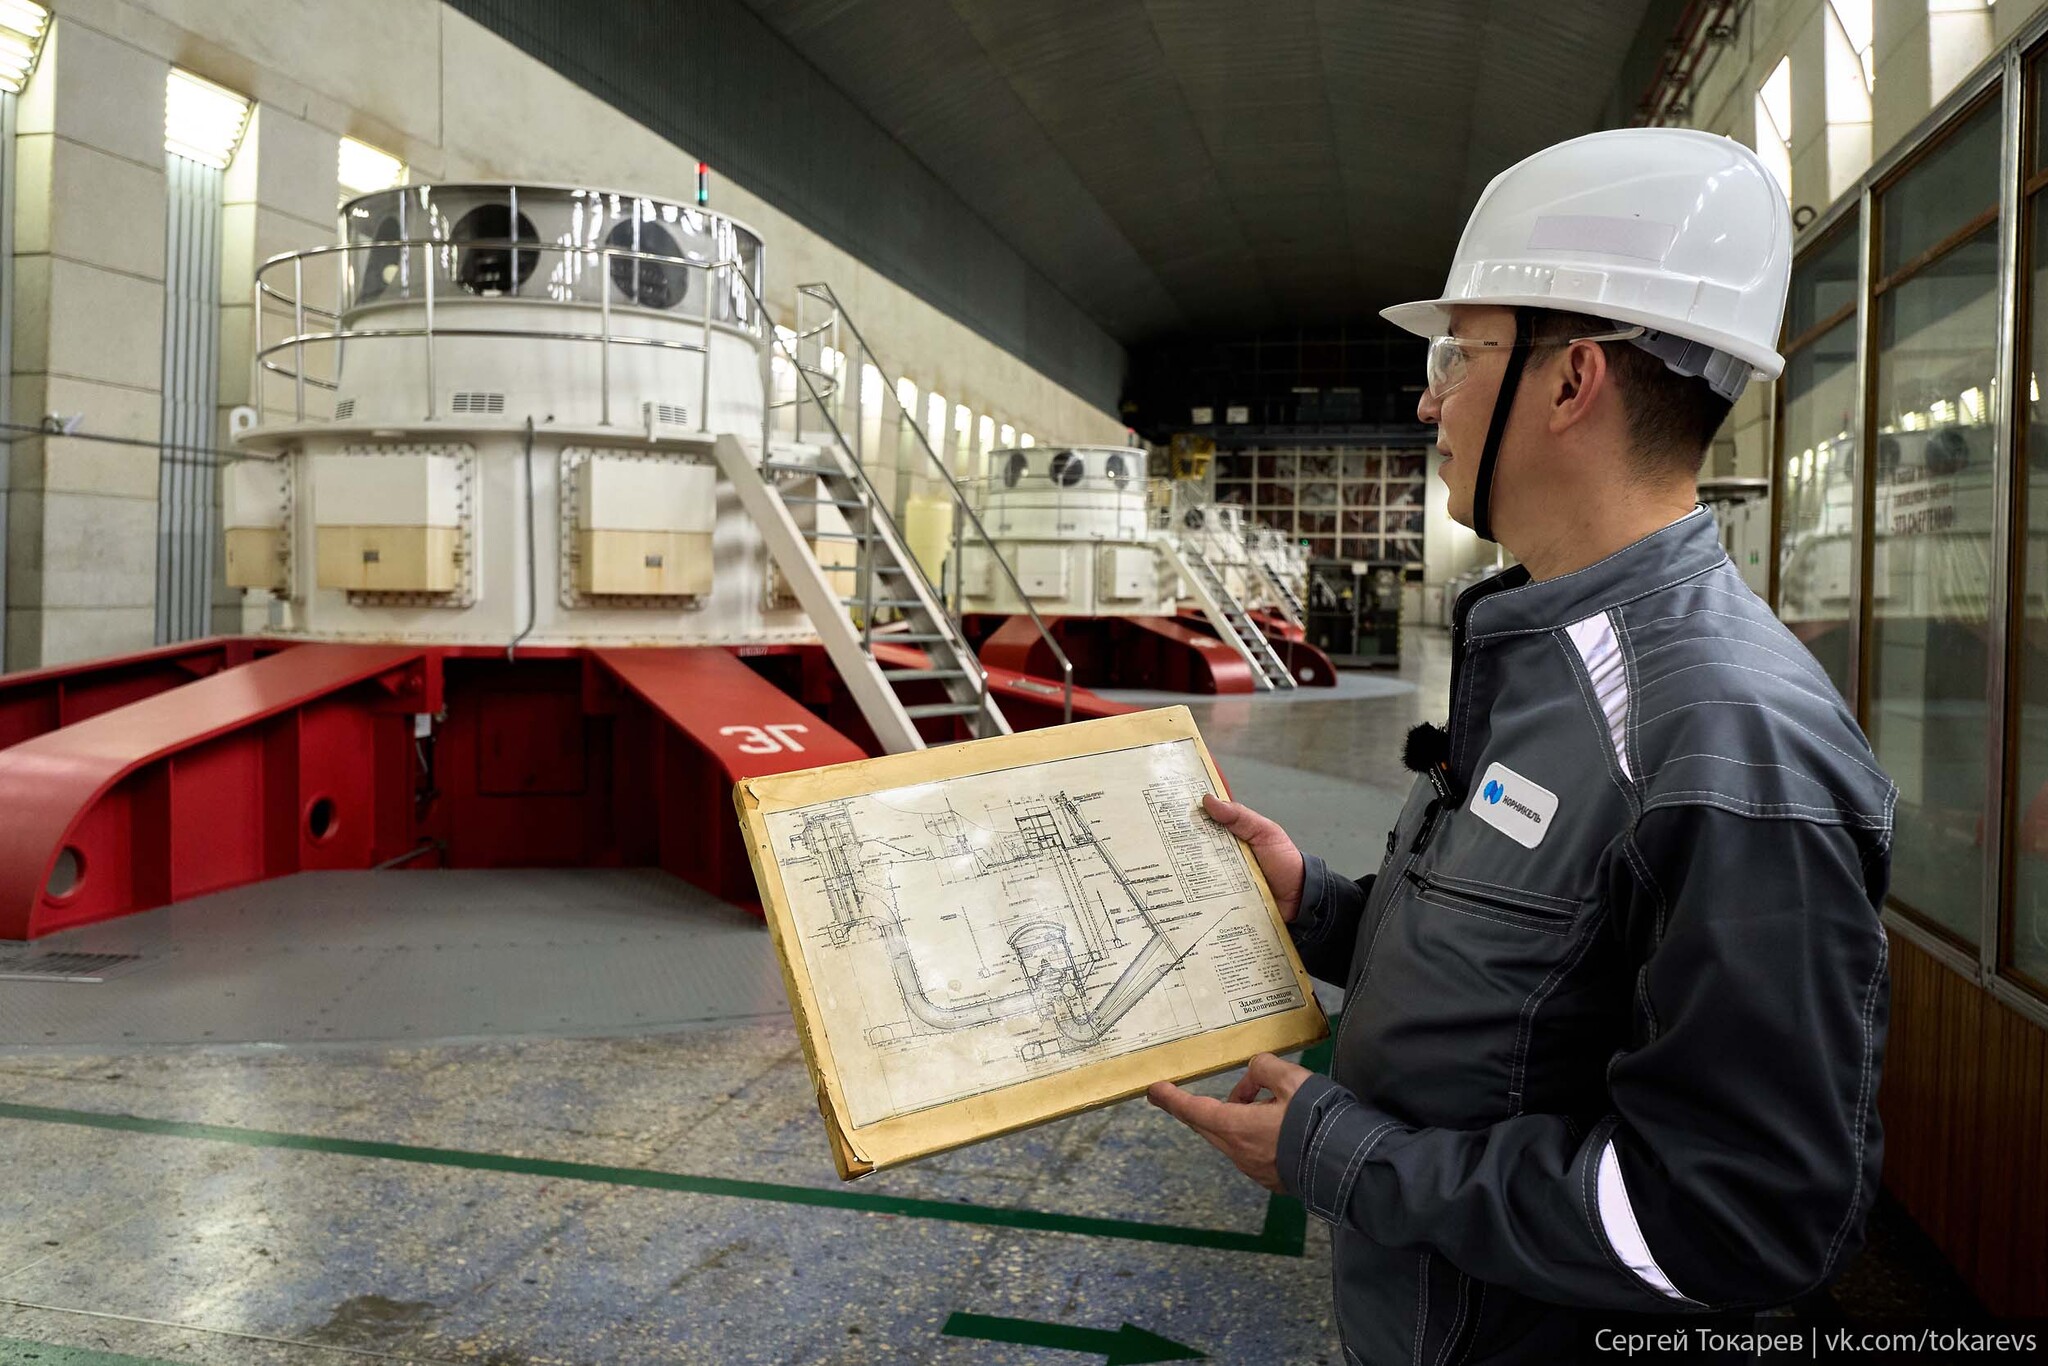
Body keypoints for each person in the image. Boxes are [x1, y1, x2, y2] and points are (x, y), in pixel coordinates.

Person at [1147, 127, 1894, 1364]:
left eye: (1458, 351)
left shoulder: (1725, 745)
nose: (1429, 394)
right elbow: (1534, 971)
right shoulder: (1548, 647)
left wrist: (1340, 1155)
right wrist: (1314, 907)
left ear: (1569, 379)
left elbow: (1737, 1219)